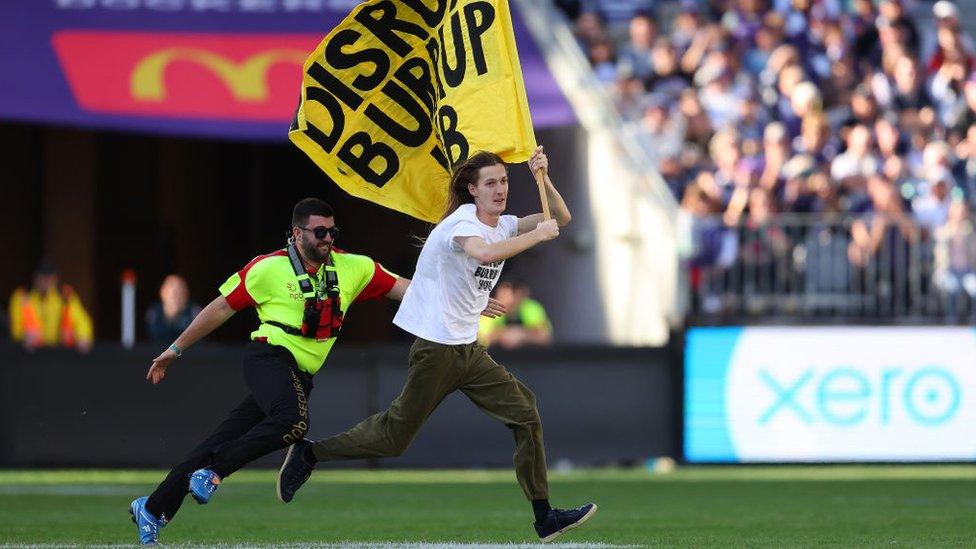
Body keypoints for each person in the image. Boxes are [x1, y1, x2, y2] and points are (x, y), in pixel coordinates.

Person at [276, 148, 597, 543]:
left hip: (467, 350)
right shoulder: (462, 223)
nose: (500, 189)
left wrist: (541, 178)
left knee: (525, 411)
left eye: (504, 181)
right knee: (393, 439)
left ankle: (544, 517)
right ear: (473, 191)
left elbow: (561, 218)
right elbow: (484, 251)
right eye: (491, 183)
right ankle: (310, 453)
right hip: (436, 350)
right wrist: (536, 236)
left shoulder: (503, 223)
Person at [129, 198, 445, 545]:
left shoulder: (354, 267)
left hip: (300, 374)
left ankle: (154, 505)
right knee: (294, 421)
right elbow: (220, 308)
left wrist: (459, 301)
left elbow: (407, 289)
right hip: (268, 357)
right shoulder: (267, 268)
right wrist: (175, 350)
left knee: (219, 440)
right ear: (297, 234)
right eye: (320, 232)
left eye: (332, 231)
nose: (327, 239)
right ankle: (214, 472)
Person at [8, 261, 93, 353]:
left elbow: (81, 319)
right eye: (42, 277)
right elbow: (15, 325)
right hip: (30, 352)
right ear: (35, 277)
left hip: (59, 351)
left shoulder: (65, 295)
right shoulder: (22, 296)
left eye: (49, 278)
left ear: (55, 279)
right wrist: (23, 336)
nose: (45, 282)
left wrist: (83, 336)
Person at [478, 280, 553, 349]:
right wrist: (504, 334)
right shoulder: (491, 307)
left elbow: (545, 337)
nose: (509, 299)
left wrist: (522, 334)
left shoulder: (530, 307)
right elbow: (482, 340)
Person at [145, 274, 202, 342]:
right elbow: (153, 335)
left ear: (186, 293)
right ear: (162, 293)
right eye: (172, 293)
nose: (176, 297)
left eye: (179, 292)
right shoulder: (154, 313)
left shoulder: (195, 312)